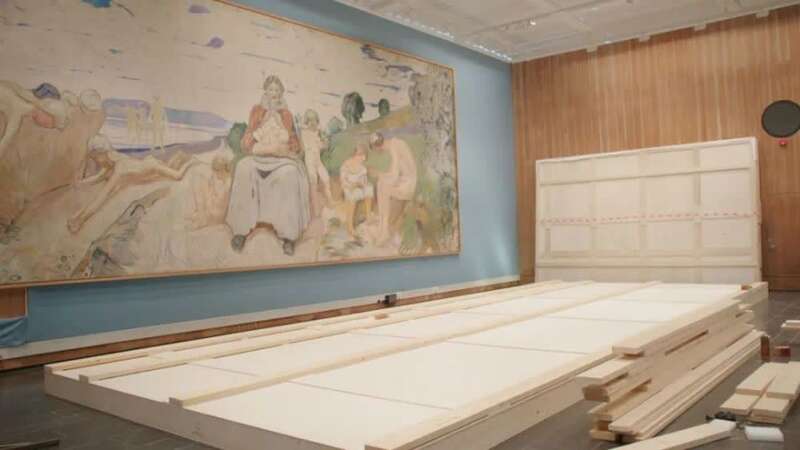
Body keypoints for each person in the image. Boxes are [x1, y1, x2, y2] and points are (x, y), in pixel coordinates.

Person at [225, 75, 310, 255]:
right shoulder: (257, 111)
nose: (274, 93)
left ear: (281, 93)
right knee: (243, 168)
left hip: (280, 159)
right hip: (259, 155)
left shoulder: (286, 114)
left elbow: (294, 143)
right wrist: (257, 144)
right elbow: (247, 140)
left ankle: (288, 236)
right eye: (271, 89)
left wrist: (285, 146)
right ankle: (240, 231)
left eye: (277, 90)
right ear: (266, 91)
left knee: (290, 173)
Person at [67, 134, 197, 233]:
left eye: (95, 158)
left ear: (103, 153)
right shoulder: (112, 161)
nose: (96, 161)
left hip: (154, 167)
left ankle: (190, 161)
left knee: (177, 175)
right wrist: (80, 183)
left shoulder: (120, 168)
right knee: (171, 168)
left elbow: (102, 197)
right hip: (149, 165)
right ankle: (179, 160)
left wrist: (81, 220)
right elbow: (98, 177)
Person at [368, 132, 417, 245]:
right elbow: (393, 173)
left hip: (407, 184)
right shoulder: (395, 144)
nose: (377, 152)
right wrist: (381, 175)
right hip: (403, 180)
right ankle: (382, 228)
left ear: (377, 146)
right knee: (381, 184)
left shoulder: (395, 147)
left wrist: (377, 173)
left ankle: (384, 230)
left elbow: (394, 176)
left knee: (382, 186)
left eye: (375, 149)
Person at [300, 109, 333, 214]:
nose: (312, 123)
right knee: (313, 183)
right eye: (310, 120)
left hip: (318, 162)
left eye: (314, 120)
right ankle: (316, 208)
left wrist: (324, 140)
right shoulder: (305, 133)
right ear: (307, 121)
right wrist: (320, 137)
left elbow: (323, 146)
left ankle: (330, 202)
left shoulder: (316, 133)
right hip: (310, 162)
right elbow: (309, 146)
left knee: (326, 179)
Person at [339, 143, 373, 236]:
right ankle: (350, 226)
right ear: (355, 155)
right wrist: (352, 185)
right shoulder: (346, 165)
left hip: (358, 187)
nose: (363, 159)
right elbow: (343, 181)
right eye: (361, 156)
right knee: (353, 196)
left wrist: (362, 184)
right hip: (348, 187)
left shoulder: (362, 167)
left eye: (364, 156)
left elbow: (364, 180)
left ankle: (368, 216)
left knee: (369, 189)